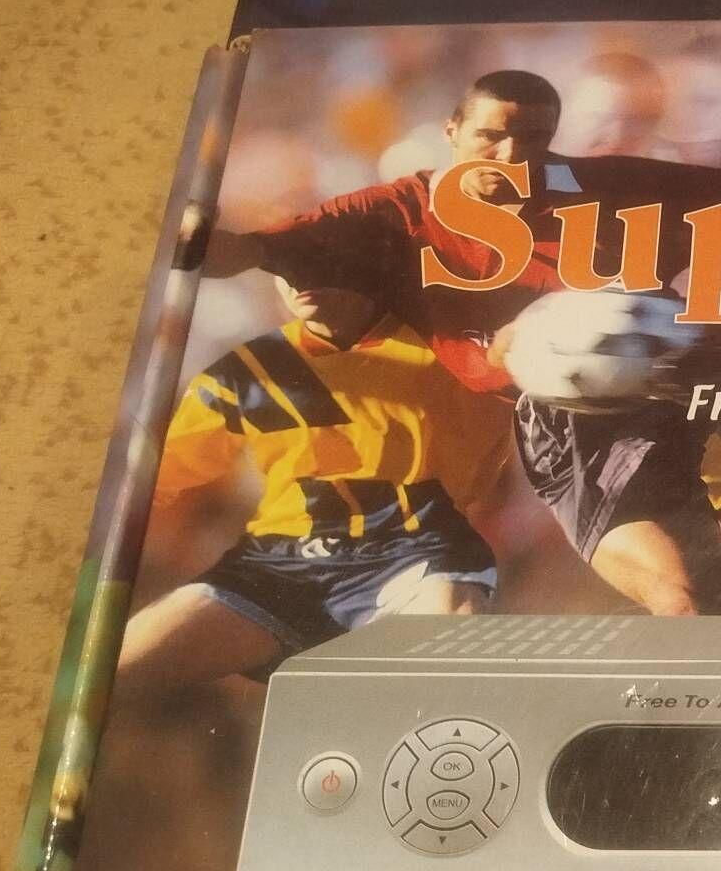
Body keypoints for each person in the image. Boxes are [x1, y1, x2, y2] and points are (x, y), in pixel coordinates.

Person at [199, 69, 721, 616]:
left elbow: (697, 334)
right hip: (556, 428)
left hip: (647, 400)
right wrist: (192, 237)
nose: (511, 157)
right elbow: (251, 252)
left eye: (531, 140)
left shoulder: (603, 197)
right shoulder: (389, 216)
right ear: (452, 132)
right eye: (490, 137)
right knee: (682, 596)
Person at [119, 279, 510, 694]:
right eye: (281, 268)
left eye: (312, 261)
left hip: (416, 550)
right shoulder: (244, 371)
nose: (297, 278)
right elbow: (149, 484)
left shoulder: (450, 350)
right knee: (107, 672)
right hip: (276, 564)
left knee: (445, 675)